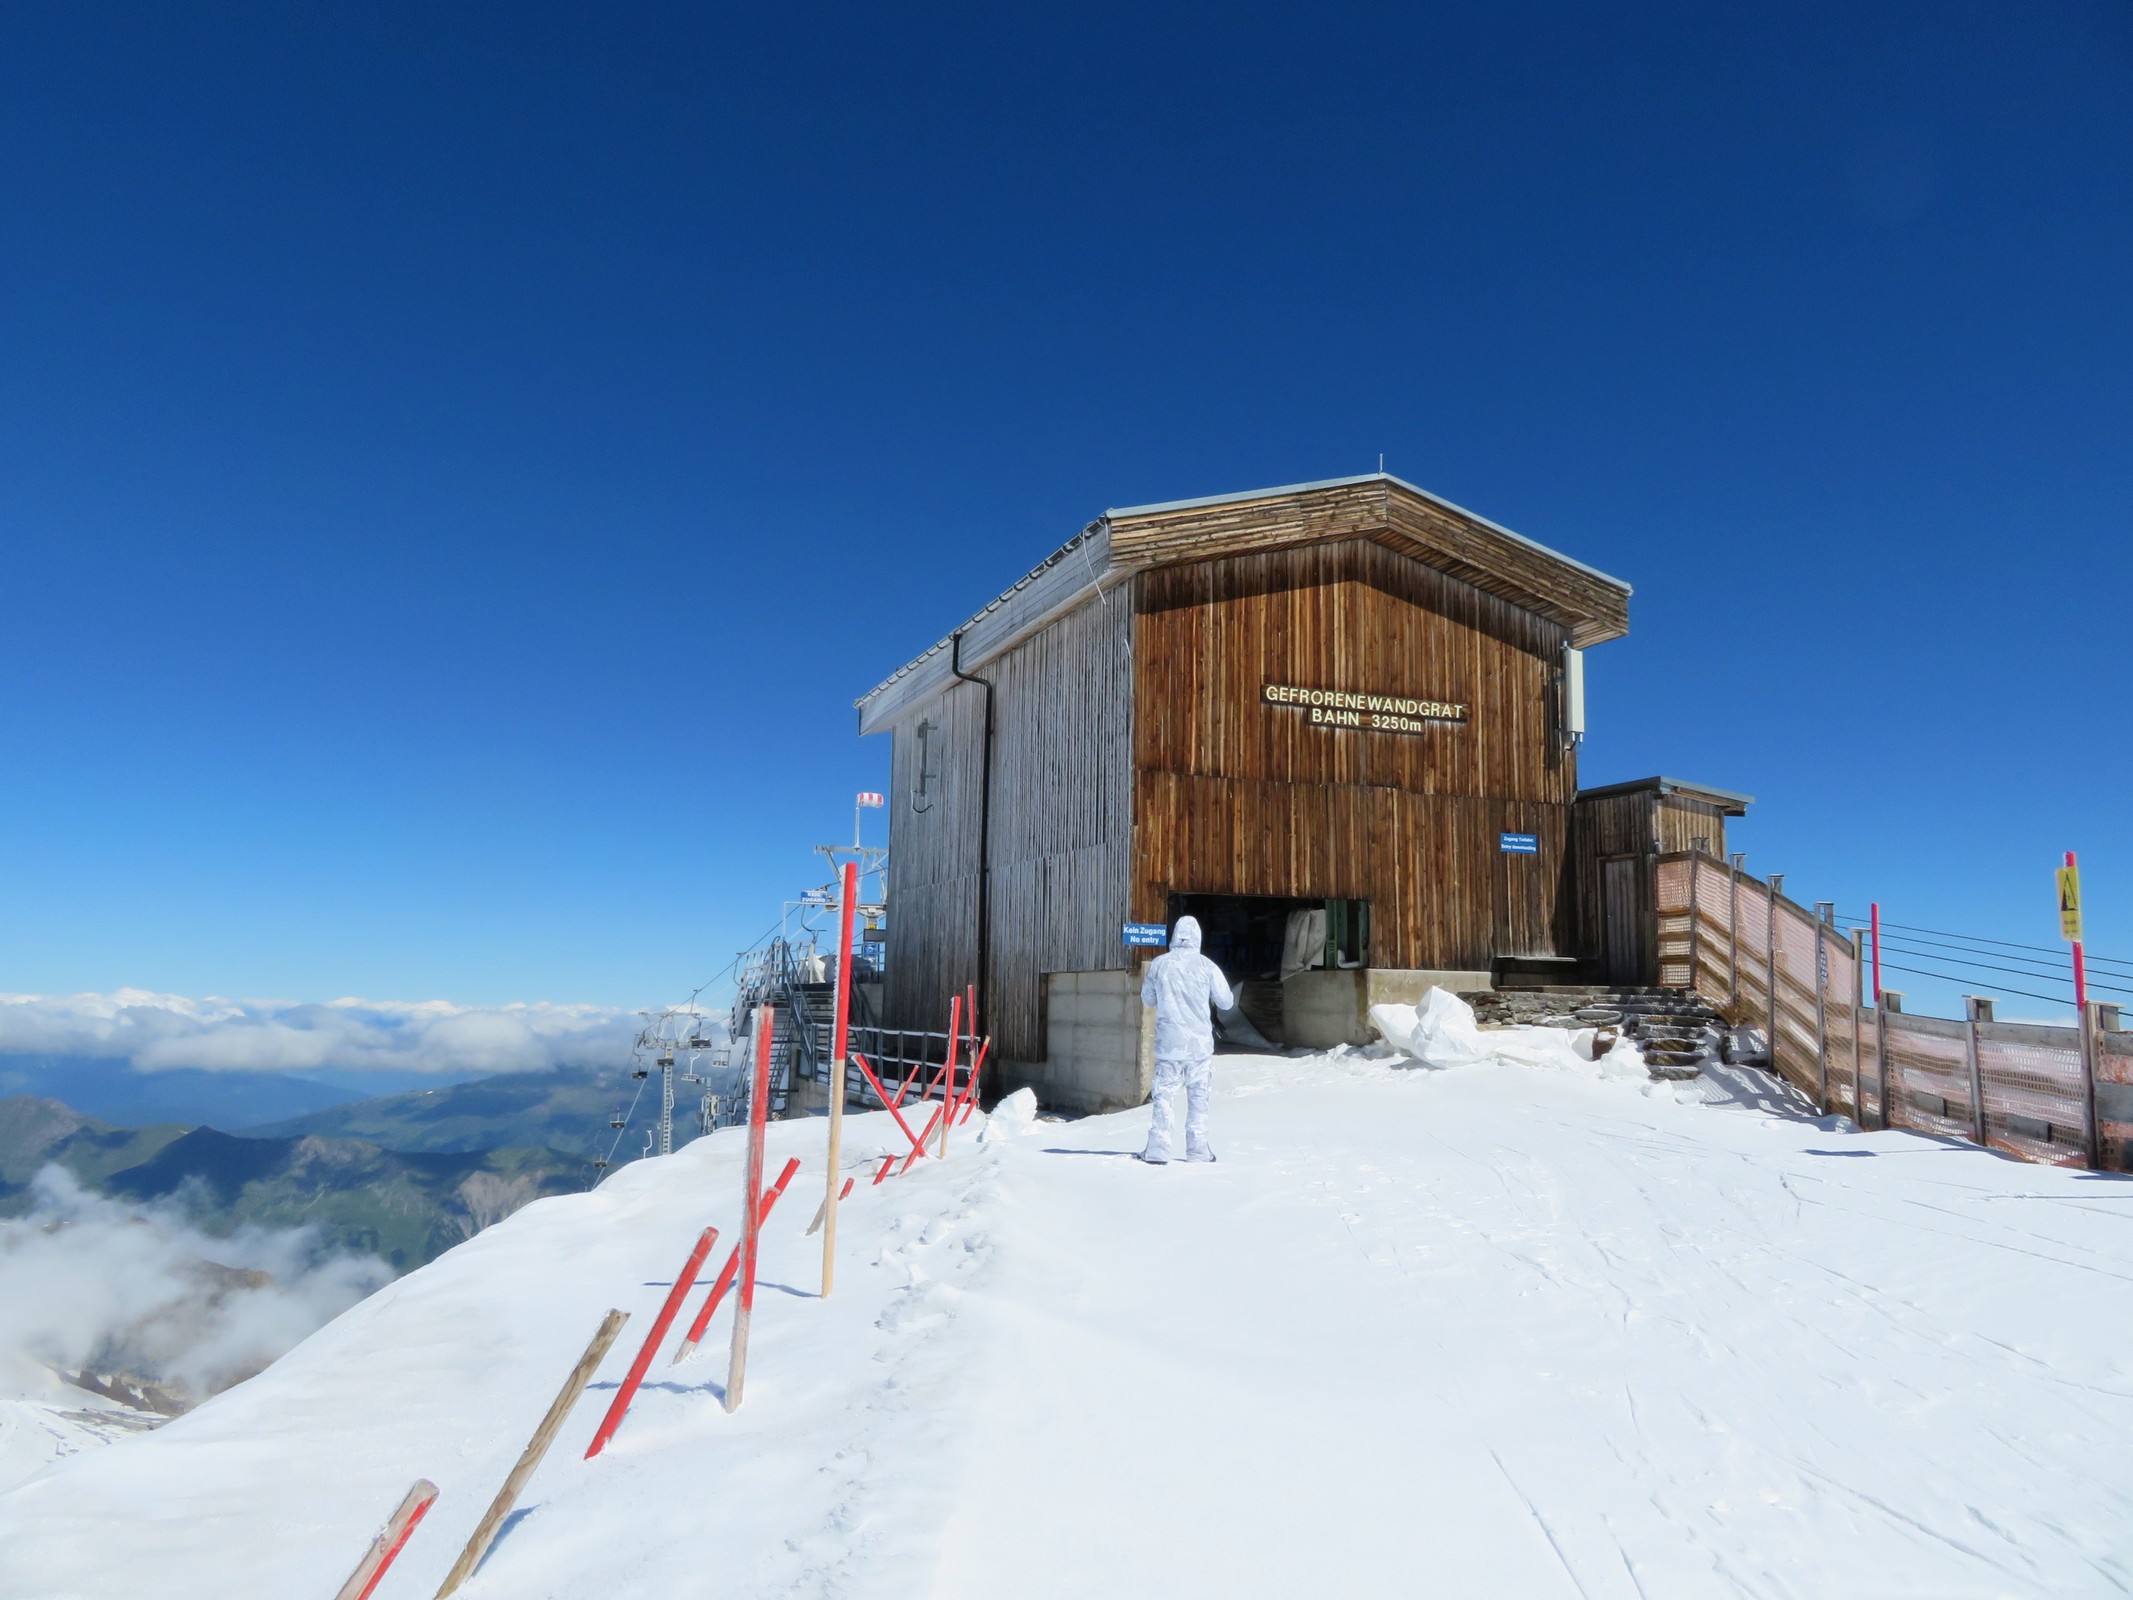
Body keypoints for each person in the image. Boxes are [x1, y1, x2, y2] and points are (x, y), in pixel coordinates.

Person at [1138, 915, 1234, 1164]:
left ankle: (1158, 1150)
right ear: (1197, 937)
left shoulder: (1159, 965)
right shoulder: (1207, 966)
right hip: (1199, 1046)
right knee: (1199, 1098)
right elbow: (1226, 1001)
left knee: (1164, 1097)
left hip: (1169, 1044)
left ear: (1174, 936)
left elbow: (1148, 999)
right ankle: (1198, 1150)